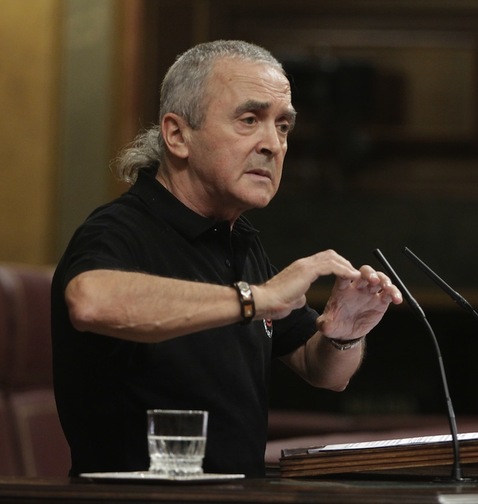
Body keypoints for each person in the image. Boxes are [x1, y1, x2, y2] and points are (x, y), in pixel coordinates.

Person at [51, 40, 402, 478]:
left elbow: (323, 371)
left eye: (284, 127)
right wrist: (256, 298)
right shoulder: (120, 228)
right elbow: (91, 301)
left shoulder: (239, 240)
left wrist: (345, 332)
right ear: (177, 135)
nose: (273, 144)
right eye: (250, 120)